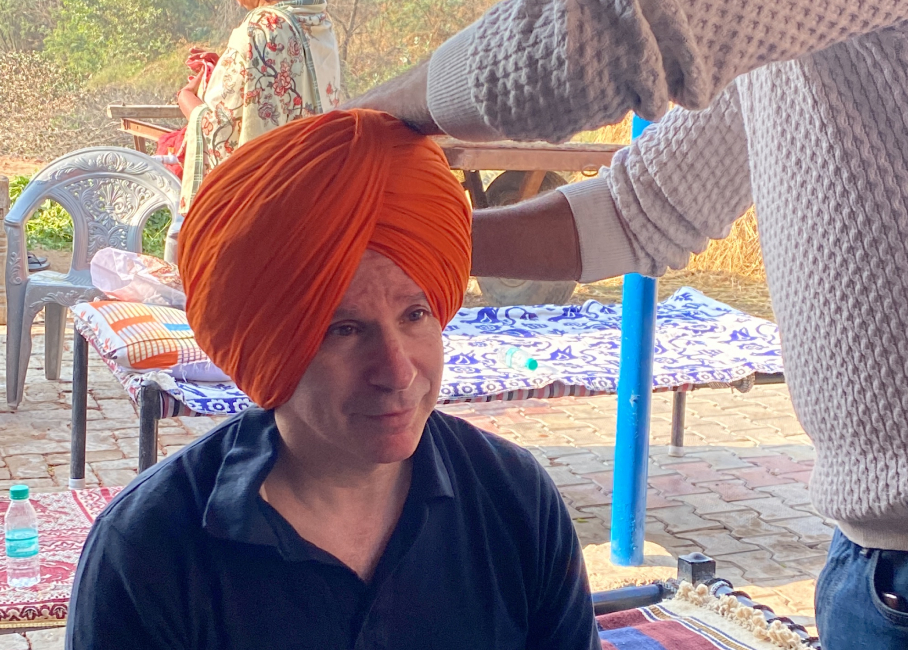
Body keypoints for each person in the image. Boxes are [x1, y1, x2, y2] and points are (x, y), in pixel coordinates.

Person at [345, 2, 908, 648]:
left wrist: (352, 127)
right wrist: (408, 243)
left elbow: (596, 38)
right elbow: (640, 208)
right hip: (869, 563)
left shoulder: (515, 505)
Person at [65, 110, 600, 650]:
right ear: (270, 348)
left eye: (415, 315)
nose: (396, 371)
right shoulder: (149, 550)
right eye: (343, 329)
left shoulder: (514, 500)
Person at [162, 0, 341, 262]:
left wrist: (187, 100)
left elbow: (222, 134)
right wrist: (225, 68)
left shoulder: (260, 28)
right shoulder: (317, 21)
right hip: (309, 197)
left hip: (260, 210)